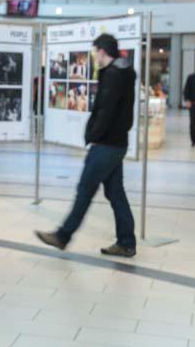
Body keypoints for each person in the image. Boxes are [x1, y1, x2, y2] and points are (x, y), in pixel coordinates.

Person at [35, 34, 137, 258]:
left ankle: (63, 236)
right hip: (117, 143)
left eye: (95, 51)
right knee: (115, 193)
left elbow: (105, 111)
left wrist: (93, 135)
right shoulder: (123, 72)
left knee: (85, 190)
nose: (94, 56)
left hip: (106, 145)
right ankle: (127, 242)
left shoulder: (112, 75)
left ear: (102, 51)